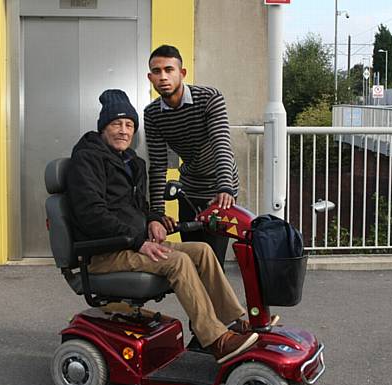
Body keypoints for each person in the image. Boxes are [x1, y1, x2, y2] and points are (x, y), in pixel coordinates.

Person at [66, 89, 258, 363]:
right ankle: (216, 339)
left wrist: (153, 220)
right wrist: (138, 241)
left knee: (202, 250)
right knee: (177, 261)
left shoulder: (131, 162)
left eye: (129, 125)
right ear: (103, 127)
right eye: (116, 124)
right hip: (103, 252)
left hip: (130, 243)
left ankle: (235, 320)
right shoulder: (87, 159)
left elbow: (136, 209)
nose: (124, 131)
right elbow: (91, 214)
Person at [144, 45, 239, 267]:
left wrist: (225, 187)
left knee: (213, 263)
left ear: (182, 73)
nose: (163, 77)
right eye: (156, 72)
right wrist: (157, 214)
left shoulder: (209, 98)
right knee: (192, 259)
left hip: (219, 189)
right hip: (188, 189)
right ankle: (198, 303)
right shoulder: (152, 114)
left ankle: (217, 303)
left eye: (169, 70)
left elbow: (221, 144)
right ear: (150, 77)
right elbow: (158, 165)